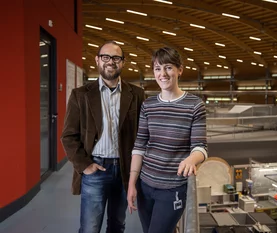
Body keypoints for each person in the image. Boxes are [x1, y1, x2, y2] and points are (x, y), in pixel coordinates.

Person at [61, 41, 145, 233]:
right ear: (98, 60)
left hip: (126, 170)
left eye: (116, 58)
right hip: (95, 170)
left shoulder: (137, 94)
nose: (111, 62)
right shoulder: (80, 95)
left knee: (117, 225)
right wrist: (85, 166)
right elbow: (68, 136)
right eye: (105, 57)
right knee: (90, 228)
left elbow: (144, 134)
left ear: (123, 62)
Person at [127, 47, 208, 233]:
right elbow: (139, 146)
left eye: (168, 67)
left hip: (172, 189)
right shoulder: (148, 105)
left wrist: (191, 159)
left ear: (180, 69)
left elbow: (200, 147)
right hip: (145, 185)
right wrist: (132, 184)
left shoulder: (195, 105)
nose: (162, 74)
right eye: (157, 68)